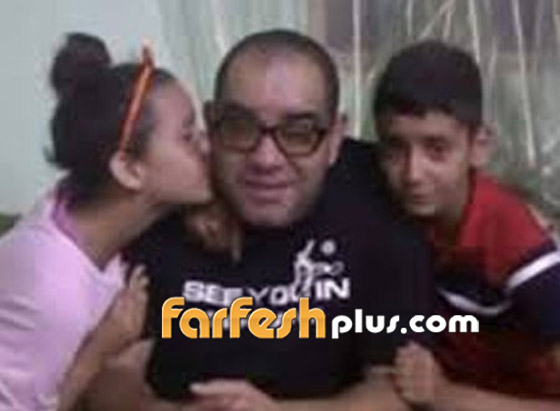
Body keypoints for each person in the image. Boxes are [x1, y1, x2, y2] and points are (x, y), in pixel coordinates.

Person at [86, 29, 435, 410]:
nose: (266, 159)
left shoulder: (378, 195)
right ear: (211, 125)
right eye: (239, 126)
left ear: (335, 137)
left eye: (298, 133)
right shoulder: (162, 193)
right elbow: (105, 378)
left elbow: (395, 392)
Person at [0, 32, 212, 410]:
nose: (207, 146)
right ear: (128, 168)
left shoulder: (75, 204)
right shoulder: (54, 291)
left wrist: (203, 208)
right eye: (187, 137)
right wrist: (98, 352)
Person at [373, 40, 560, 410]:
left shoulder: (512, 237)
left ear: (479, 146)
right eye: (395, 148)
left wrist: (444, 395)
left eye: (436, 149)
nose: (413, 173)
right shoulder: (386, 201)